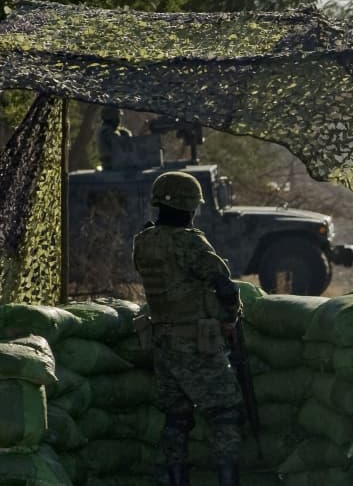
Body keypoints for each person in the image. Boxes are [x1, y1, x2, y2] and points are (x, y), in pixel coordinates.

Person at [133, 172, 244, 486]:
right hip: (195, 342)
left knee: (177, 419)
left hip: (161, 341)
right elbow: (224, 286)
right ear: (190, 205)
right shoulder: (189, 241)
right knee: (224, 413)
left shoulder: (144, 240)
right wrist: (230, 318)